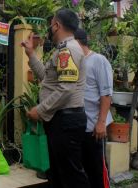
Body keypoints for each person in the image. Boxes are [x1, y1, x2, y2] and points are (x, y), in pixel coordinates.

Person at [21, 9, 90, 188]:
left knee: (71, 176)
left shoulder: (68, 50)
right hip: (61, 120)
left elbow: (66, 89)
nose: (48, 29)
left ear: (56, 25)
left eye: (50, 24)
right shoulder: (62, 50)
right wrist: (30, 54)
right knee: (59, 174)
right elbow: (46, 77)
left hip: (66, 121)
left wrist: (40, 110)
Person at [74, 28, 113, 188]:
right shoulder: (75, 62)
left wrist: (101, 122)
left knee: (97, 172)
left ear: (77, 42)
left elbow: (106, 93)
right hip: (79, 127)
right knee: (82, 173)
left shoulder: (98, 60)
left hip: (95, 128)